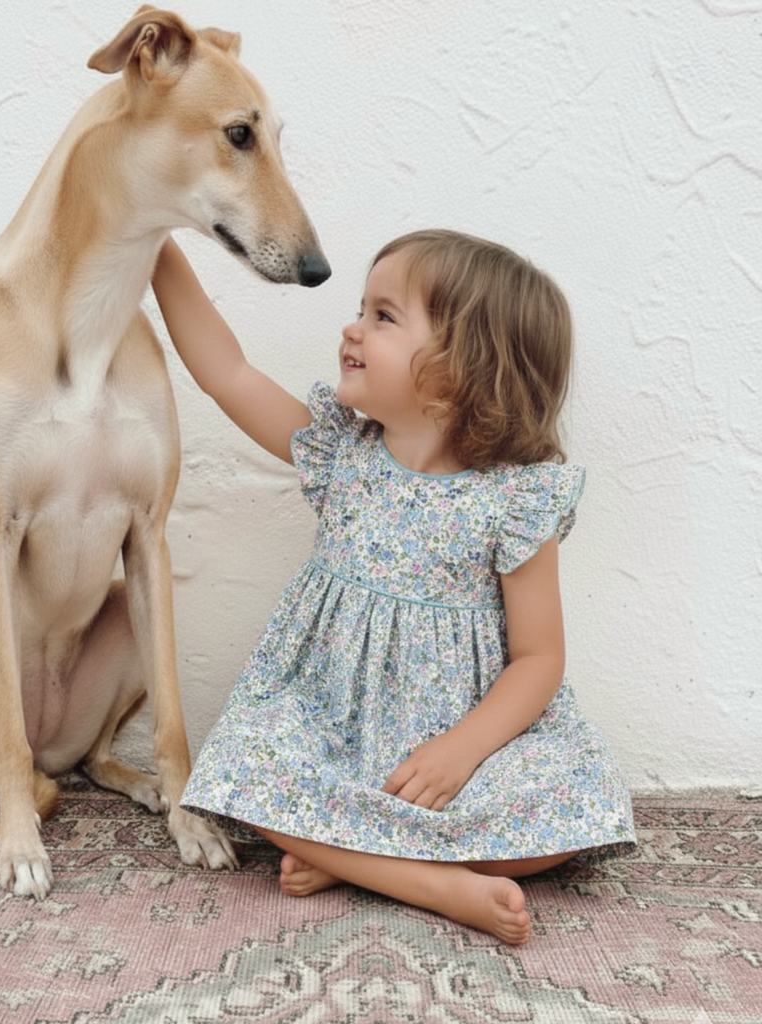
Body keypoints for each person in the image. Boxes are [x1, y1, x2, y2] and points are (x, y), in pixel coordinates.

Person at [151, 229, 635, 945]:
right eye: (362, 309)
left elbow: (538, 657)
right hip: (332, 728)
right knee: (242, 766)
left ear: (464, 367)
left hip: (449, 750)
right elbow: (227, 372)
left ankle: (349, 856)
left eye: (383, 316)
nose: (352, 327)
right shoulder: (343, 452)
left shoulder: (514, 499)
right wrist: (156, 243)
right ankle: (432, 883)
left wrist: (462, 749)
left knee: (579, 803)